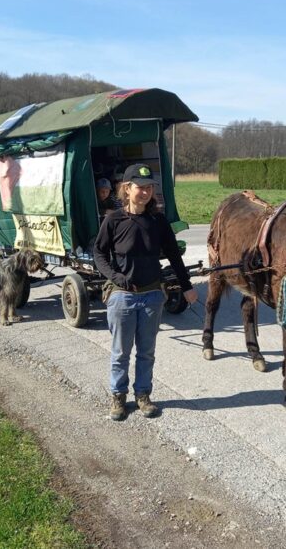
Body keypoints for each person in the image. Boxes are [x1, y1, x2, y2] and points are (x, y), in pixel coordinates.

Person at [94, 163, 198, 421]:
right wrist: (115, 276)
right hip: (122, 296)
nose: (146, 192)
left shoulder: (157, 221)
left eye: (149, 187)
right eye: (140, 188)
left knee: (147, 351)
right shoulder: (113, 220)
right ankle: (118, 397)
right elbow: (99, 253)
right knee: (120, 352)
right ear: (127, 189)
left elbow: (174, 255)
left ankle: (143, 395)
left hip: (152, 296)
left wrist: (186, 287)